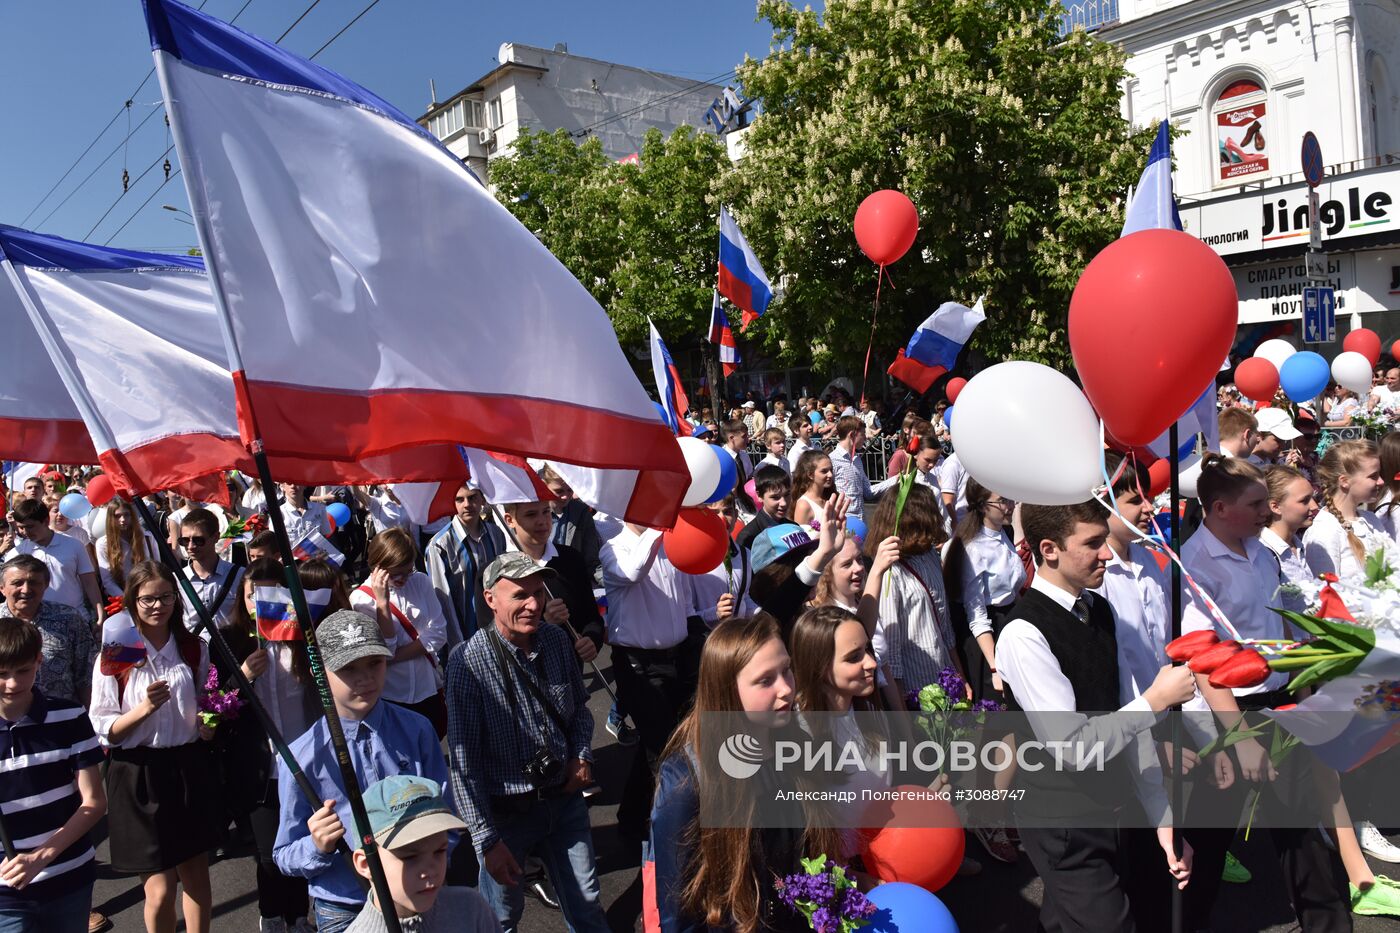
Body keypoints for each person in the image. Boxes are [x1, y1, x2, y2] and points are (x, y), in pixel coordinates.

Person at [997, 502, 1195, 932]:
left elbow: (1128, 718)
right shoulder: (1023, 633)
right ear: (1049, 549)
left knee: (1067, 919)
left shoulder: (1099, 609)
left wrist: (1162, 817)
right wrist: (1156, 701)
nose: (1107, 553)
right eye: (1091, 543)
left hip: (1111, 806)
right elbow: (1072, 748)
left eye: (1103, 539)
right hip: (1062, 821)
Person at [1180, 455, 1353, 931]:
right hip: (1231, 718)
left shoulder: (1261, 552)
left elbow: (1278, 630)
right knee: (1209, 845)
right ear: (1218, 508)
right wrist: (1241, 738)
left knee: (1301, 836)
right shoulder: (1194, 565)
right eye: (1256, 503)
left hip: (1279, 706)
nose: (1266, 512)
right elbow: (1204, 660)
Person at [444, 554, 608, 933]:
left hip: (564, 800)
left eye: (538, 593)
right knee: (500, 918)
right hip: (508, 816)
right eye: (519, 595)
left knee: (587, 905)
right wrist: (487, 841)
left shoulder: (556, 640)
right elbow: (464, 765)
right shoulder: (467, 663)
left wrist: (581, 755)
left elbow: (580, 713)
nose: (533, 605)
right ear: (490, 599)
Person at [650, 615, 843, 933]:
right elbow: (678, 911)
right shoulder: (687, 781)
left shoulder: (796, 745)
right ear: (727, 692)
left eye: (787, 670)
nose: (786, 689)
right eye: (765, 680)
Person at [273, 609, 449, 933]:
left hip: (420, 896)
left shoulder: (418, 730)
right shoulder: (300, 759)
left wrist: (431, 862)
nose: (365, 678)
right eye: (348, 669)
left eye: (374, 663)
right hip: (345, 907)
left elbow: (446, 814)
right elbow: (284, 855)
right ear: (319, 672)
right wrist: (317, 845)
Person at [88, 562, 217, 933]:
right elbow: (103, 727)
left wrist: (208, 725)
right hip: (138, 774)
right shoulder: (119, 652)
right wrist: (145, 709)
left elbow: (206, 702)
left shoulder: (193, 648)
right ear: (132, 602)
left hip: (188, 768)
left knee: (197, 878)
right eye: (147, 599)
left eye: (165, 597)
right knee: (159, 890)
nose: (157, 606)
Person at [226, 558, 321, 933]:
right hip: (259, 767)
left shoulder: (299, 637)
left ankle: (299, 915)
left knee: (301, 842)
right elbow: (214, 705)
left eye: (270, 595)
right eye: (254, 596)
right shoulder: (229, 638)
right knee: (268, 854)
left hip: (303, 761)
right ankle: (271, 915)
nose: (260, 604)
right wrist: (244, 676)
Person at [0, 618, 107, 933]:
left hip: (70, 878)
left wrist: (40, 858)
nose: (12, 683)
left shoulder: (70, 717)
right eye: (1, 674)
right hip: (6, 891)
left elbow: (94, 803)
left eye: (22, 670)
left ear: (38, 660)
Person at [598, 512, 698, 842]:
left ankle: (630, 817)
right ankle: (667, 833)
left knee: (663, 744)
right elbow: (633, 572)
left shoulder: (669, 545)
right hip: (638, 665)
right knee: (663, 751)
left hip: (676, 658)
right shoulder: (613, 547)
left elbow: (683, 599)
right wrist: (658, 527)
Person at [343, 776, 499, 933]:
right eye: (410, 857)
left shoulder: (471, 908)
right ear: (366, 864)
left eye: (439, 851)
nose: (431, 870)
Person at [350, 529, 449, 736]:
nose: (403, 578)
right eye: (396, 573)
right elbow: (384, 650)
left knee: (432, 744)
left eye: (408, 570)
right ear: (376, 565)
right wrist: (383, 603)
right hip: (392, 693)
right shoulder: (361, 599)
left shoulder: (420, 581)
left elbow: (439, 633)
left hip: (427, 686)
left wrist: (395, 657)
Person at [863, 484, 958, 697]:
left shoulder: (931, 556)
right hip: (917, 689)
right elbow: (891, 655)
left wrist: (959, 675)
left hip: (944, 677)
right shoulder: (890, 573)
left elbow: (945, 626)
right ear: (915, 517)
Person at [943, 479, 1024, 703]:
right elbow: (977, 615)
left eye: (1010, 498)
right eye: (1002, 501)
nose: (1010, 505)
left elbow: (1012, 590)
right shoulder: (973, 549)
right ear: (981, 506)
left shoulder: (1003, 532)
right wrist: (995, 667)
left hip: (1008, 624)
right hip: (986, 637)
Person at [0, 555, 96, 706]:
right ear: (2, 588)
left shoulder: (69, 619)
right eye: (17, 583)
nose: (26, 589)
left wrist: (89, 721)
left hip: (60, 717)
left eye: (33, 582)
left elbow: (87, 675)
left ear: (45, 585)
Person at [1303, 439, 1397, 586]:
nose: (1381, 482)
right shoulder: (1325, 531)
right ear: (1345, 481)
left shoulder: (1370, 519)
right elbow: (1328, 592)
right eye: (1373, 476)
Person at [426, 485, 505, 650]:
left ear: (482, 499)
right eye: (460, 499)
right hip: (464, 636)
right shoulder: (439, 545)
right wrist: (457, 646)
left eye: (472, 497)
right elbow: (442, 600)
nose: (467, 504)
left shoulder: (496, 534)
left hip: (497, 629)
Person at [3, 499, 101, 618]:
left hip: (74, 617)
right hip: (35, 623)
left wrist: (100, 615)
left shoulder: (74, 545)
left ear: (45, 521)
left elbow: (89, 583)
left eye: (30, 527)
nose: (25, 532)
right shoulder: (15, 555)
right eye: (21, 527)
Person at [1262, 464, 1320, 612]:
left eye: (1312, 498)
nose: (1314, 506)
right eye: (1304, 501)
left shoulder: (1298, 545)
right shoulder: (1264, 553)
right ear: (1275, 506)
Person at [178, 508, 244, 634]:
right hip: (193, 650)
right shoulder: (177, 579)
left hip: (230, 649)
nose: (190, 546)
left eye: (198, 540)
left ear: (215, 537)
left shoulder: (240, 575)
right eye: (185, 541)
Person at [539, 466, 602, 588]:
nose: (565, 496)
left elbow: (591, 560)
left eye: (570, 490)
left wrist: (612, 583)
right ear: (543, 485)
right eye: (559, 491)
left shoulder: (580, 512)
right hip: (544, 584)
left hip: (572, 582)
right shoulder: (534, 513)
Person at [95, 498, 157, 600]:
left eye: (126, 515)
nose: (123, 519)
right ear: (110, 518)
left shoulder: (147, 538)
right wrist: (126, 599)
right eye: (117, 516)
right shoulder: (103, 543)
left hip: (150, 593)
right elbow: (107, 580)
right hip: (122, 597)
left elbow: (156, 567)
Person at [828, 416, 875, 519]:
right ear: (852, 435)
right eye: (862, 434)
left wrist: (897, 479)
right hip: (843, 520)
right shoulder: (831, 460)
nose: (865, 437)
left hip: (861, 519)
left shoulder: (857, 460)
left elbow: (868, 492)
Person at [737, 466, 791, 551]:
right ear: (759, 496)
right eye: (775, 497)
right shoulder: (748, 537)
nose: (783, 503)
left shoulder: (793, 527)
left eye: (787, 495)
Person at [789, 450, 835, 530]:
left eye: (831, 470)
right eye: (824, 471)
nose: (830, 475)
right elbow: (802, 540)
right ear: (810, 475)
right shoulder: (804, 505)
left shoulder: (829, 497)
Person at [722, 421, 756, 515]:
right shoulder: (722, 458)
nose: (748, 440)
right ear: (732, 438)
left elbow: (749, 476)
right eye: (744, 436)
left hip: (746, 501)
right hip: (729, 504)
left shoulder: (744, 455)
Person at [937, 451, 970, 527]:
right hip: (960, 521)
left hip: (972, 519)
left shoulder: (972, 461)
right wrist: (955, 521)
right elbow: (947, 500)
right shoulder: (953, 464)